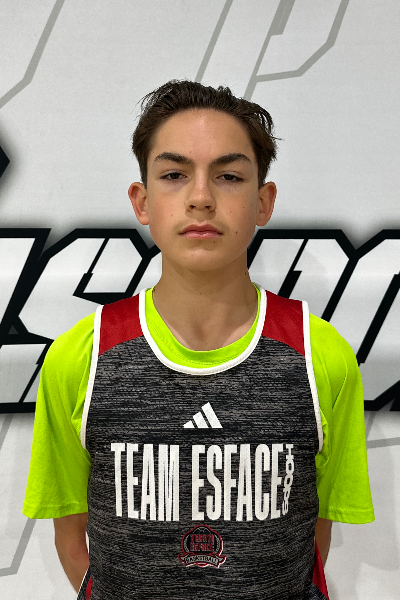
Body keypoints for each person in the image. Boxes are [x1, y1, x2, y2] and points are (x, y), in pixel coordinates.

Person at [23, 80, 374, 600]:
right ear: (142, 201)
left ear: (263, 201)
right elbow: (71, 536)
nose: (202, 198)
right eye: (174, 175)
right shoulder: (81, 356)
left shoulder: (320, 355)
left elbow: (310, 541)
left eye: (229, 176)